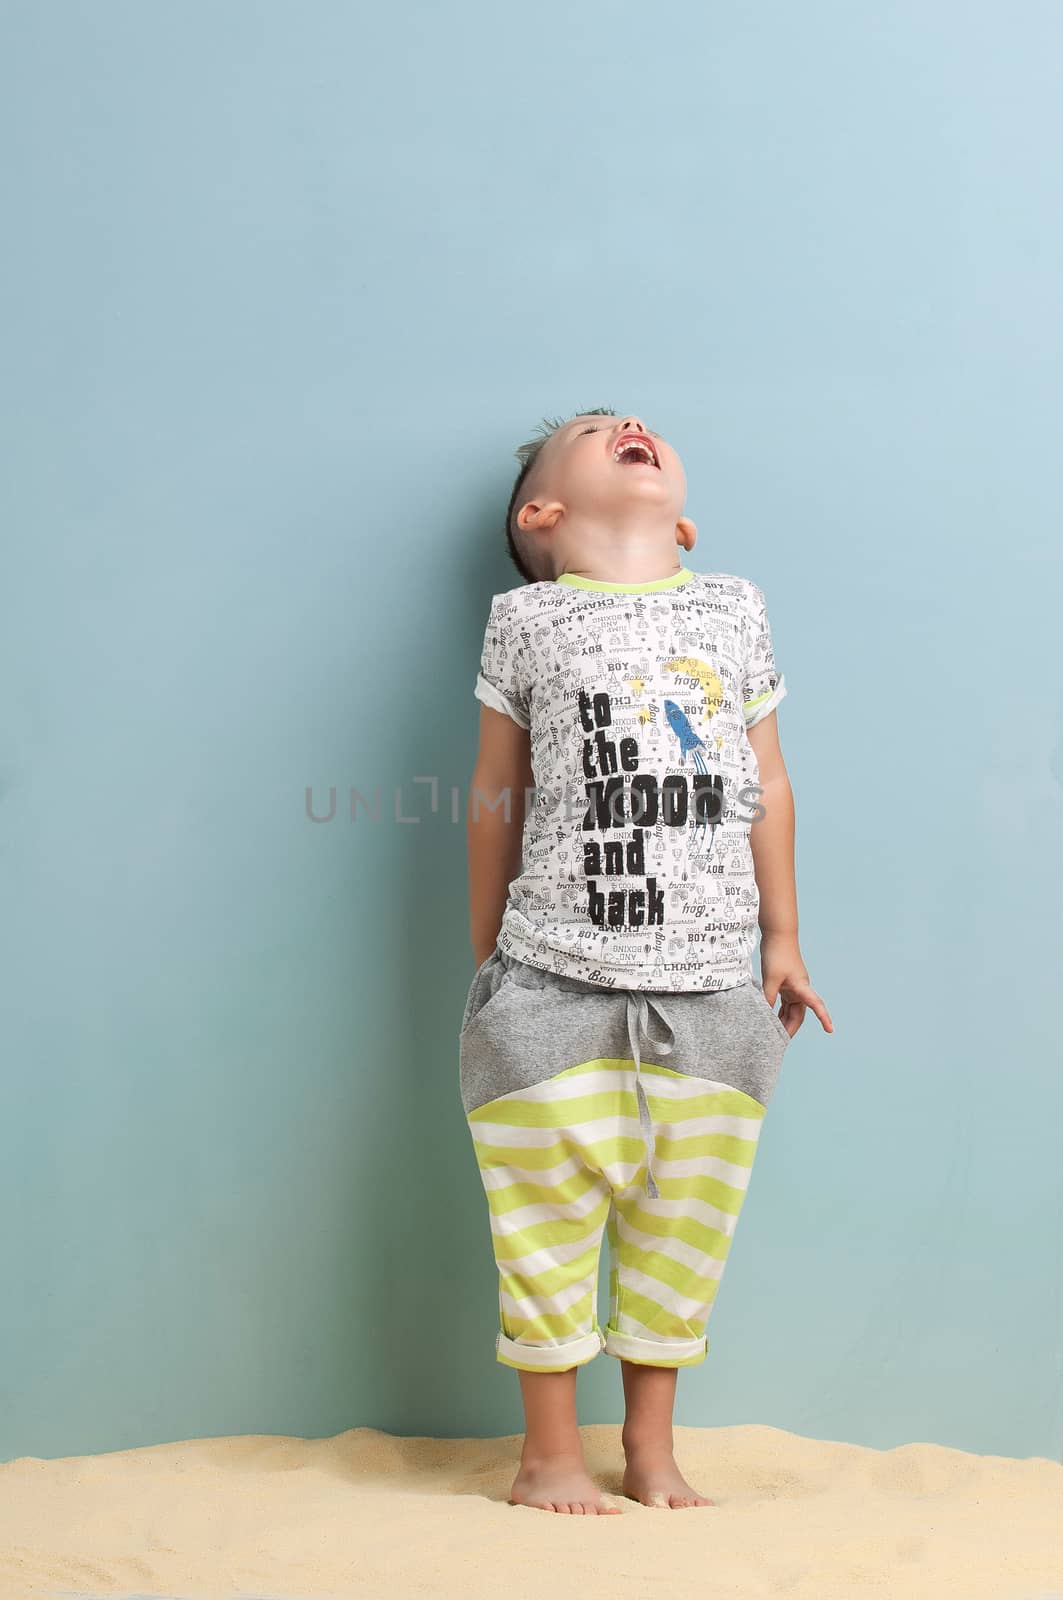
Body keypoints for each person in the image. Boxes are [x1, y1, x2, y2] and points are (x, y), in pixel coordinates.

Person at [460, 407, 833, 1514]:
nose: (631, 424)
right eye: (592, 429)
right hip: (549, 975)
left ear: (686, 527)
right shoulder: (524, 619)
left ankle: (652, 1450)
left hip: (713, 983)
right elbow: (494, 792)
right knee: (541, 1220)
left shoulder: (730, 607)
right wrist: (487, 954)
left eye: (639, 425)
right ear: (544, 511)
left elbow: (768, 779)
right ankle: (548, 1455)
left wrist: (783, 935)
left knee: (683, 1222)